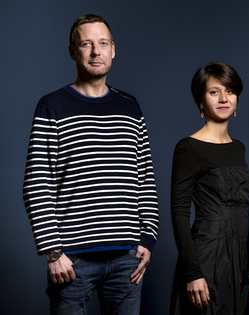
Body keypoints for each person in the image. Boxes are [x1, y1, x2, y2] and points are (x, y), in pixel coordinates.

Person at [22, 14, 159, 314]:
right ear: (73, 51)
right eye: (86, 44)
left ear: (113, 49)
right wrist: (53, 252)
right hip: (72, 262)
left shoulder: (130, 106)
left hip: (127, 258)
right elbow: (37, 182)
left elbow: (144, 176)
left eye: (103, 43)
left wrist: (148, 237)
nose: (96, 51)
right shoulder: (52, 106)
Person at [170, 62, 249, 314]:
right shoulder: (188, 148)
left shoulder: (238, 148)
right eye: (214, 92)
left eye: (230, 91)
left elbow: (239, 214)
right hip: (206, 258)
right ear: (201, 101)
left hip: (240, 262)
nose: (224, 98)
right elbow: (179, 213)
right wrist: (192, 272)